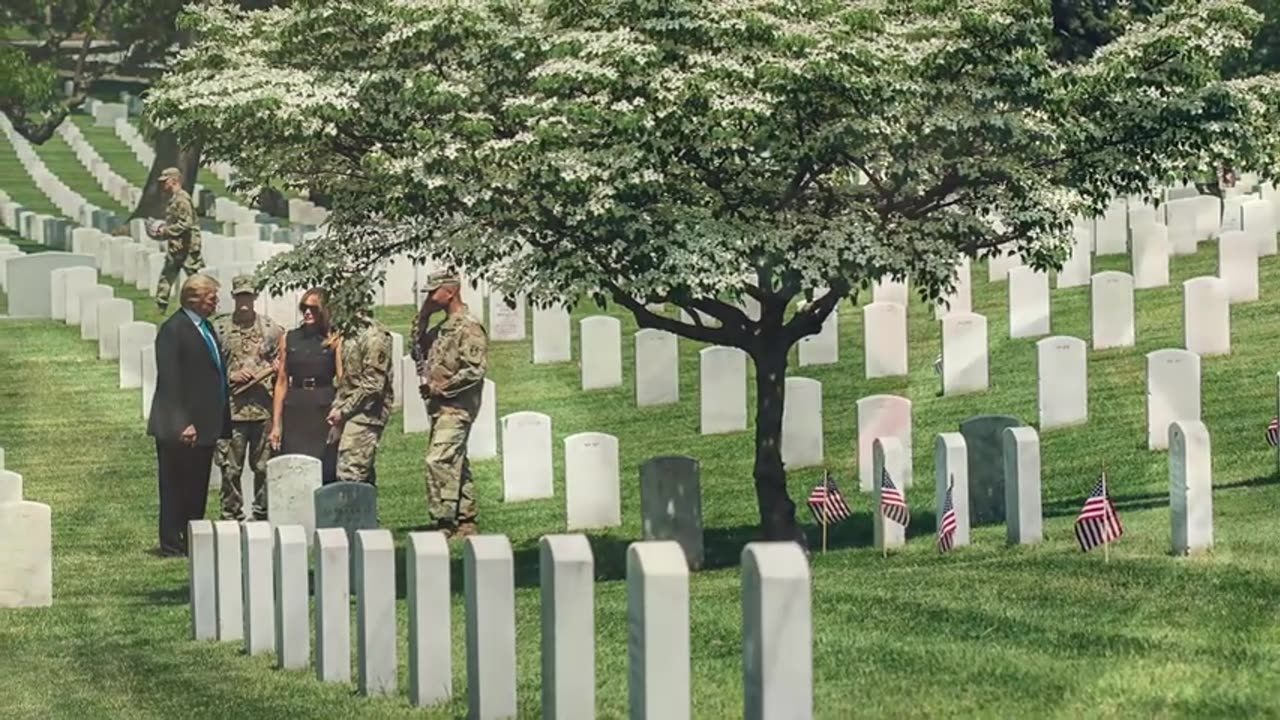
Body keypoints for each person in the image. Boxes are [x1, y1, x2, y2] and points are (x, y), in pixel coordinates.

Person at [146, 273, 231, 557]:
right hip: (180, 427)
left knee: (196, 484)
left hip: (204, 424)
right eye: (211, 297)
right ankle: (172, 542)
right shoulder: (174, 329)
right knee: (175, 484)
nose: (216, 302)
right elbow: (170, 381)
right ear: (193, 298)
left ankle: (192, 536)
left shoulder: (204, 327)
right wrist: (183, 422)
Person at [411, 270, 488, 538]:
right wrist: (423, 316)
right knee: (456, 460)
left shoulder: (468, 326)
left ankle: (443, 521)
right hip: (439, 408)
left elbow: (474, 371)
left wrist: (440, 387)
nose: (430, 297)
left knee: (437, 459)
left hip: (458, 407)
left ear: (451, 291)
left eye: (434, 292)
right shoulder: (443, 327)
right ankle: (467, 521)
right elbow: (416, 350)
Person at [210, 275, 284, 520]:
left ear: (254, 297)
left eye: (248, 296)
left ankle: (262, 512)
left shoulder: (270, 329)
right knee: (230, 469)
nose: (244, 302)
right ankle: (231, 514)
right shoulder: (220, 329)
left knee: (263, 467)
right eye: (240, 296)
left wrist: (276, 366)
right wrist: (232, 374)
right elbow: (209, 366)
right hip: (232, 410)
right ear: (234, 297)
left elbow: (283, 363)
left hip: (262, 409)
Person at [270, 287, 342, 484]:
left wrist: (338, 417)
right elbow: (282, 381)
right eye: (304, 308)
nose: (308, 312)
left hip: (323, 406)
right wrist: (276, 424)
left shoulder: (334, 339)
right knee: (295, 468)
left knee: (324, 468)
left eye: (313, 308)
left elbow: (342, 380)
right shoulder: (290, 337)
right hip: (296, 407)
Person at [328, 309, 395, 485]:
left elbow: (372, 385)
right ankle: (367, 512)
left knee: (350, 475)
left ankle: (354, 512)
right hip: (347, 411)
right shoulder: (348, 331)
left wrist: (344, 410)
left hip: (367, 413)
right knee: (362, 475)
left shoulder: (374, 335)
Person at [146, 167, 204, 313]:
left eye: (165, 181)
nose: (162, 185)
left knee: (195, 278)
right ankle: (161, 305)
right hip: (177, 245)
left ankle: (205, 304)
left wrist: (165, 231)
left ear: (173, 181)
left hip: (188, 245)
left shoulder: (182, 199)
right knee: (167, 275)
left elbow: (186, 223)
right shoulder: (174, 199)